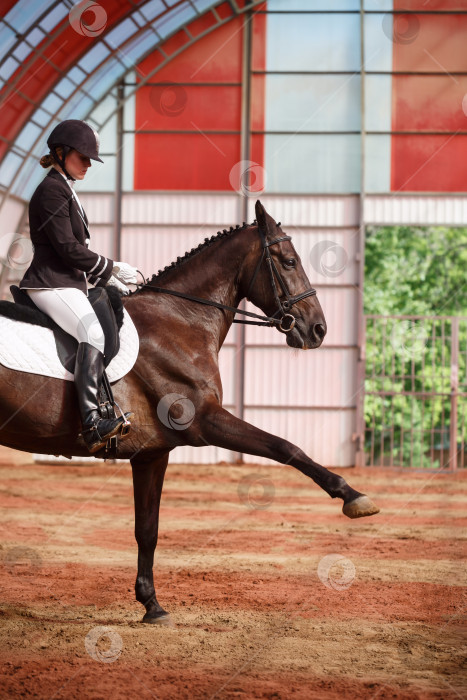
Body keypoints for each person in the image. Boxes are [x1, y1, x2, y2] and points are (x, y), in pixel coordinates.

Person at [19, 119, 137, 454]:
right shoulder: (51, 190)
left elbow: (75, 253)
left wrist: (108, 279)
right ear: (60, 153)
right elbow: (68, 249)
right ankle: (92, 423)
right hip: (49, 284)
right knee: (93, 334)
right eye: (82, 157)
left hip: (68, 282)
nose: (87, 164)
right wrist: (113, 267)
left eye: (89, 159)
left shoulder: (66, 188)